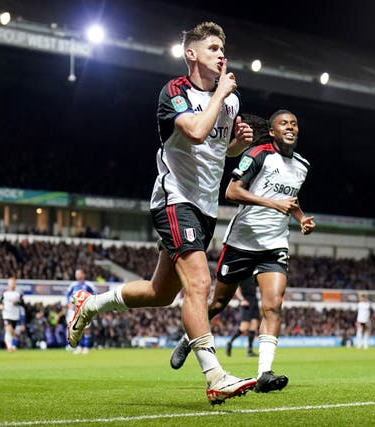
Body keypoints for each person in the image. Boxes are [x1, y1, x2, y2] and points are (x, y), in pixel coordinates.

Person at [67, 21, 255, 405]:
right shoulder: (174, 92)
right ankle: (215, 376)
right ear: (191, 54)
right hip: (174, 199)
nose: (222, 54)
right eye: (213, 48)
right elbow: (197, 132)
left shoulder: (230, 101)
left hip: (205, 209)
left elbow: (218, 150)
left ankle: (92, 304)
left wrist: (235, 144)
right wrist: (220, 94)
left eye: (223, 49)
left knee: (160, 292)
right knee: (199, 285)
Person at [169, 110, 315, 394]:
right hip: (242, 242)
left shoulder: (302, 165)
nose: (291, 127)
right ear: (272, 132)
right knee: (217, 305)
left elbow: (291, 201)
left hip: (274, 244)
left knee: (273, 305)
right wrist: (272, 204)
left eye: (295, 123)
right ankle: (189, 337)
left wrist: (301, 219)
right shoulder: (258, 154)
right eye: (284, 123)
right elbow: (232, 192)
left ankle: (264, 374)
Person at [225, 276, 260, 358]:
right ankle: (229, 342)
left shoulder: (254, 273)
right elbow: (236, 288)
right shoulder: (243, 272)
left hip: (254, 300)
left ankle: (249, 350)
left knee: (254, 325)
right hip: (245, 300)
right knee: (244, 327)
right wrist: (241, 299)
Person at [65, 269, 97, 354]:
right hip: (74, 311)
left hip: (85, 310)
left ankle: (86, 347)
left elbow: (95, 295)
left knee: (86, 329)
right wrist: (68, 303)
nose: (77, 275)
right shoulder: (73, 285)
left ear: (83, 274)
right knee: (76, 329)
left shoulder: (88, 285)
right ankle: (79, 347)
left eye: (79, 273)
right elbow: (67, 295)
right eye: (76, 274)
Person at [0, 277, 25, 352]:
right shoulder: (5, 292)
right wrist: (0, 306)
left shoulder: (19, 293)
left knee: (15, 333)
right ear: (8, 284)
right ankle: (9, 347)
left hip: (16, 315)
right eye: (11, 283)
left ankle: (13, 346)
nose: (12, 284)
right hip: (7, 315)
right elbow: (0, 302)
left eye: (13, 283)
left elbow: (23, 304)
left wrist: (17, 303)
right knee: (8, 329)